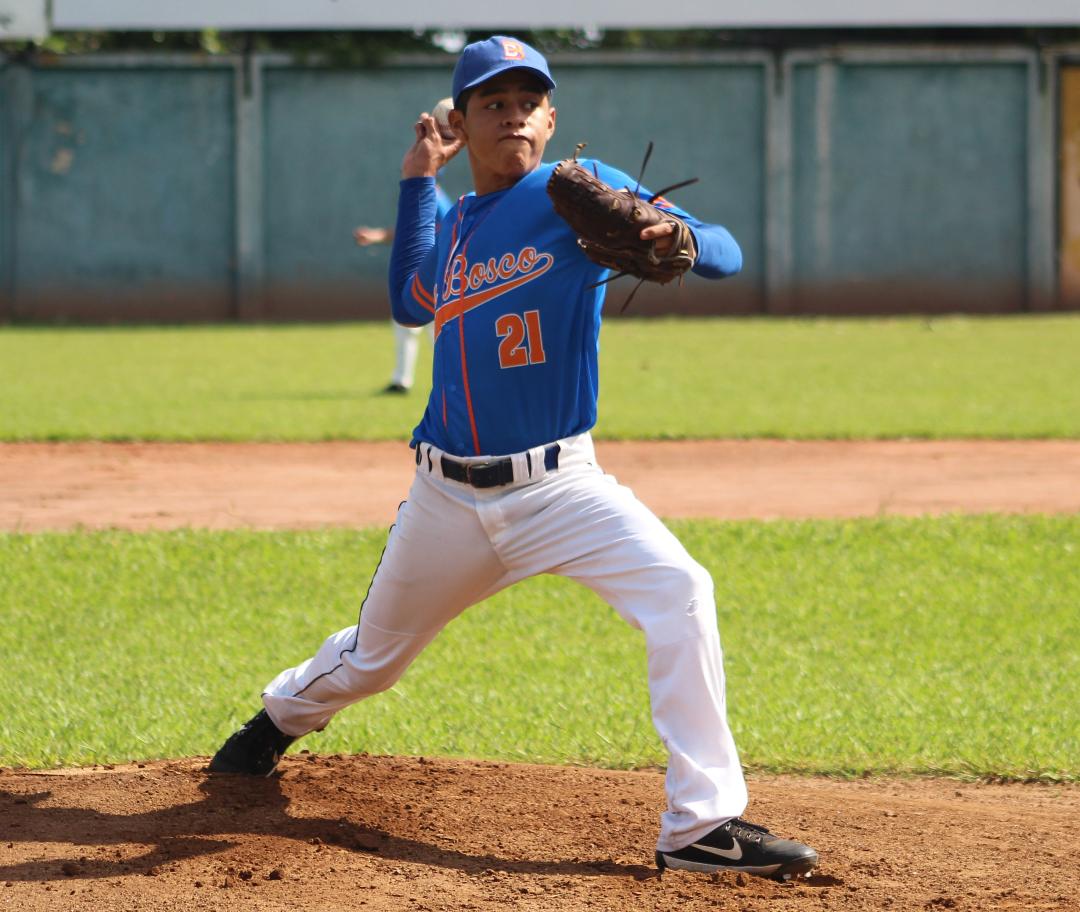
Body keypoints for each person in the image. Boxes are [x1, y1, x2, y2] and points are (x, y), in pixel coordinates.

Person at [209, 35, 819, 883]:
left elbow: (725, 251)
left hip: (562, 488)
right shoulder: (456, 224)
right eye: (494, 103)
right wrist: (417, 179)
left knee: (681, 591)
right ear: (462, 123)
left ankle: (700, 826)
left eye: (530, 102)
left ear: (551, 119)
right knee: (374, 659)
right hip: (446, 502)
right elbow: (408, 300)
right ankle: (276, 721)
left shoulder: (577, 188)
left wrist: (673, 230)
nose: (515, 116)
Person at [355, 101, 457, 394]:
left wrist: (377, 236)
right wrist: (377, 236)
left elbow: (434, 234)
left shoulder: (434, 199)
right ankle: (404, 380)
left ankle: (443, 381)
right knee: (413, 328)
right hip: (429, 271)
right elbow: (412, 233)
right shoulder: (430, 196)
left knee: (434, 331)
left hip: (435, 275)